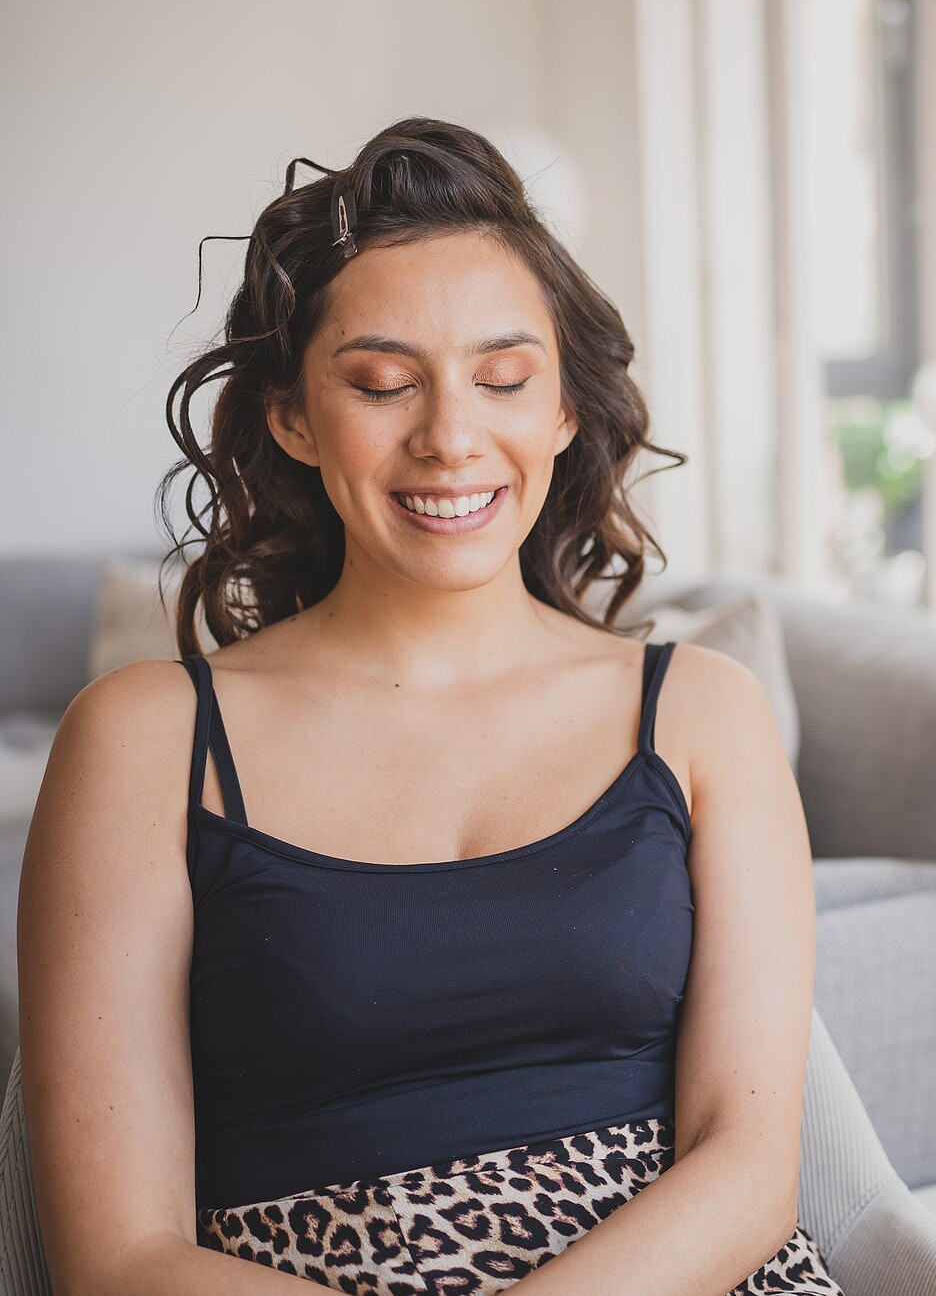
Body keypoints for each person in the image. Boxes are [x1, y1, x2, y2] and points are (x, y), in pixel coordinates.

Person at [17, 118, 842, 1295]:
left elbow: (747, 1165)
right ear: (293, 418)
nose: (451, 438)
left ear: (563, 410)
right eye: (382, 383)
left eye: (503, 379)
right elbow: (118, 1258)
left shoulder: (701, 715)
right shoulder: (145, 740)